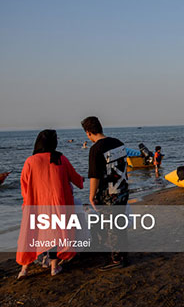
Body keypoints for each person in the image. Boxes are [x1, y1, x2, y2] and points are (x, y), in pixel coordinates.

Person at [16, 130, 84, 279]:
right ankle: (54, 267)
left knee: (31, 234)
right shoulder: (60, 159)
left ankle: (24, 269)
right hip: (57, 204)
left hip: (36, 205)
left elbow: (24, 186)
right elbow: (76, 179)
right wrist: (82, 180)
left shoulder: (30, 161)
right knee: (56, 235)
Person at [81, 116, 130, 271]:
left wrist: (91, 196)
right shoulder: (118, 143)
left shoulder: (96, 149)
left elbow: (94, 176)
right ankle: (123, 253)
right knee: (120, 223)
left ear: (88, 133)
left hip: (109, 193)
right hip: (123, 189)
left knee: (112, 226)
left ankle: (117, 260)